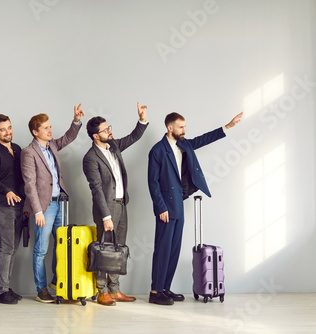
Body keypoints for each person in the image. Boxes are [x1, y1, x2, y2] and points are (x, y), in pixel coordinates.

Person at [147, 111, 243, 305]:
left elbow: (203, 139)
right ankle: (155, 291)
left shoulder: (184, 144)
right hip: (165, 208)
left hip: (178, 205)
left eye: (185, 126)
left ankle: (165, 288)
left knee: (174, 250)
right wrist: (160, 207)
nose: (184, 130)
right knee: (163, 250)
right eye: (181, 127)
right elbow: (153, 182)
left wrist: (227, 127)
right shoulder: (157, 150)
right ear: (170, 128)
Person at [82, 102, 148, 306]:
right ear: (95, 135)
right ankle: (102, 291)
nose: (109, 131)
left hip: (122, 205)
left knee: (117, 250)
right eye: (105, 130)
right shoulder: (90, 158)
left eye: (109, 128)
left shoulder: (115, 146)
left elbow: (134, 136)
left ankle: (115, 289)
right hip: (107, 210)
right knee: (104, 250)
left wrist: (142, 119)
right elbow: (97, 190)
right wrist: (106, 216)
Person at [21, 104, 84, 303]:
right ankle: (41, 289)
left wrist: (75, 121)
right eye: (46, 128)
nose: (50, 130)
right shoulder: (28, 152)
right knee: (41, 249)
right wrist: (37, 211)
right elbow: (29, 185)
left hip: (60, 204)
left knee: (63, 245)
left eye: (50, 126)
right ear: (35, 132)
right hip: (44, 208)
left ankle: (58, 281)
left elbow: (68, 137)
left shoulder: (52, 146)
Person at [0, 114, 25, 304]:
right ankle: (1, 291)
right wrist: (7, 191)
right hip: (2, 205)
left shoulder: (16, 149)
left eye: (9, 127)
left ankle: (6, 286)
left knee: (13, 248)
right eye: (2, 129)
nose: (7, 132)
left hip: (19, 205)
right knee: (6, 248)